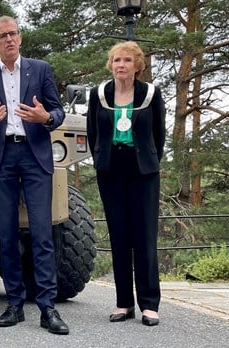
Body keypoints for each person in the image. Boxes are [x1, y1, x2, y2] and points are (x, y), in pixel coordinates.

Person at [0, 16, 69, 335]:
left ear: (20, 38)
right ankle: (14, 303)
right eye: (2, 36)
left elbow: (58, 112)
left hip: (34, 155)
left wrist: (45, 117)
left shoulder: (40, 70)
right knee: (7, 235)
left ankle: (47, 307)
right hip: (2, 158)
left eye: (13, 33)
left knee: (41, 233)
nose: (9, 39)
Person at [87, 41, 166, 327]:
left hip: (143, 171)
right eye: (117, 60)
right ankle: (123, 303)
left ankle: (149, 304)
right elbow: (93, 132)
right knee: (119, 235)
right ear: (111, 64)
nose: (121, 65)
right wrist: (101, 159)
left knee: (144, 236)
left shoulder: (151, 94)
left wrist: (147, 160)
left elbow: (159, 134)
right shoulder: (99, 94)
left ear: (137, 65)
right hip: (111, 170)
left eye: (127, 60)